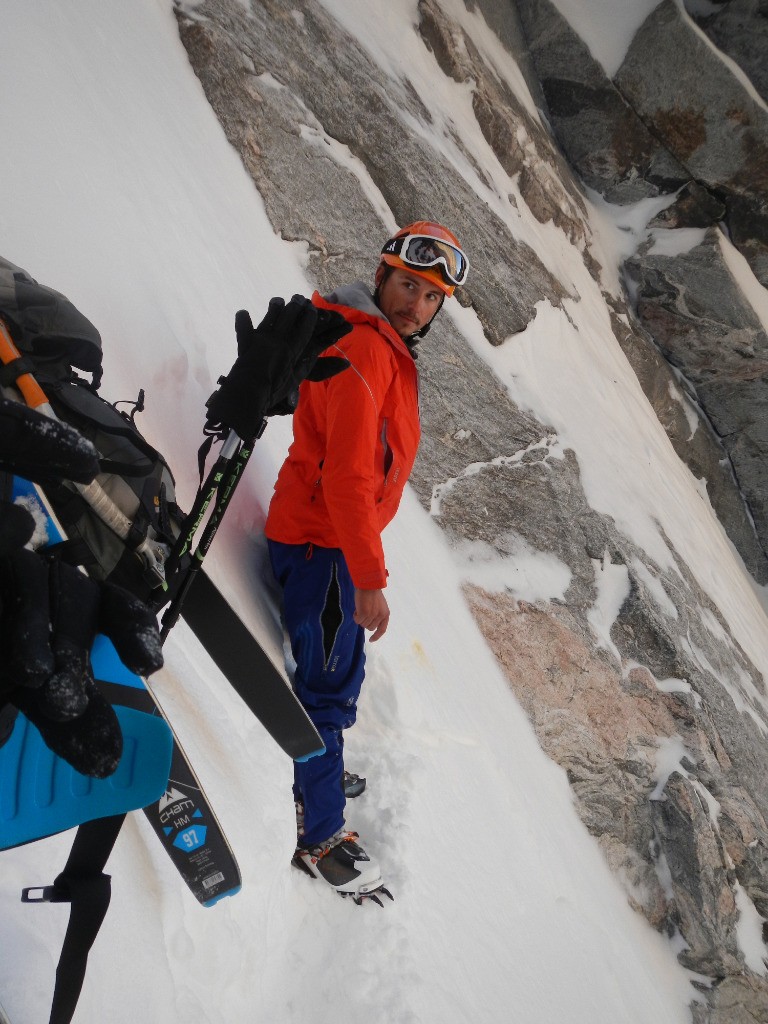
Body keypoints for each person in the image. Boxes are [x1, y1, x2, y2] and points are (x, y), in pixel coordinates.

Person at [264, 221, 469, 902]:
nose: (417, 303)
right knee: (326, 687)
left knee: (336, 674)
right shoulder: (365, 349)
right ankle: (319, 836)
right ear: (383, 275)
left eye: (432, 296)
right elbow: (350, 479)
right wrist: (368, 580)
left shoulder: (371, 337)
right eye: (409, 284)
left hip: (317, 535)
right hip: (326, 548)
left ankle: (319, 770)